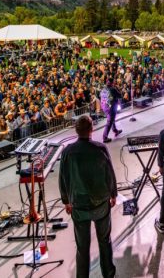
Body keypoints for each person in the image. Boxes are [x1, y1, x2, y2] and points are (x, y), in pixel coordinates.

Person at [59, 116, 117, 278]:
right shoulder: (100, 148)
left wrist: (66, 201)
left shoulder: (67, 152)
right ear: (92, 129)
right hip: (101, 203)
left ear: (76, 130)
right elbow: (109, 174)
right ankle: (108, 274)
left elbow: (63, 178)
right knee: (104, 240)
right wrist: (113, 194)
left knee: (82, 247)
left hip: (78, 205)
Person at [100, 78, 122, 143]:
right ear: (112, 83)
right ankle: (105, 137)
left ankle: (115, 130)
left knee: (112, 119)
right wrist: (117, 89)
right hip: (111, 108)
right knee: (109, 121)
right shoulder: (113, 89)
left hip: (104, 107)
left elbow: (101, 97)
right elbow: (120, 95)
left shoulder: (103, 89)